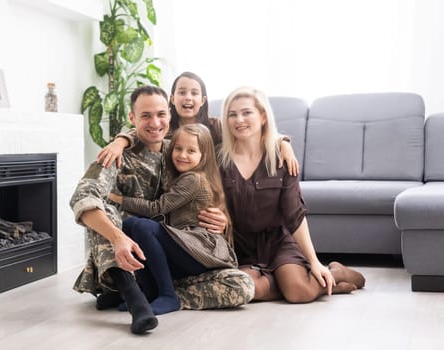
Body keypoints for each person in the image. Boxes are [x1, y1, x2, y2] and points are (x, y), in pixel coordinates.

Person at [69, 86, 254, 334]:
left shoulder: (176, 149)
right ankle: (135, 297)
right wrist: (118, 237)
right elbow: (83, 197)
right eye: (145, 116)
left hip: (173, 257)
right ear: (132, 119)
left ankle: (159, 294)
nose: (155, 123)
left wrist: (221, 218)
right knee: (107, 212)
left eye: (160, 114)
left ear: (169, 114)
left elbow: (224, 152)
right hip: (125, 259)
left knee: (242, 285)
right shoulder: (114, 155)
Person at [218, 86, 365, 303]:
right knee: (246, 289)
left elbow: (294, 214)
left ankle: (335, 273)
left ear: (263, 116)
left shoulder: (282, 158)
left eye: (246, 112)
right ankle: (304, 283)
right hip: (241, 246)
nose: (239, 119)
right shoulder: (219, 159)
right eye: (232, 114)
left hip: (278, 242)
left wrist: (313, 261)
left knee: (299, 293)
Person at [109, 124, 237, 315]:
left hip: (201, 249)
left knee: (142, 226)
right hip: (187, 247)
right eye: (178, 148)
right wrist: (122, 140)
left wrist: (115, 197)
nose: (182, 155)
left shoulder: (194, 179)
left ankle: (168, 295)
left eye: (191, 151)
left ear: (203, 156)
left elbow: (156, 208)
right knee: (130, 226)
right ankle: (149, 292)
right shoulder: (183, 176)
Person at [97, 71, 300, 177]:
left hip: (212, 189)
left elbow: (250, 133)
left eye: (194, 93)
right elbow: (144, 130)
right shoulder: (166, 128)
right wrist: (120, 141)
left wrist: (283, 143)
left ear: (202, 100)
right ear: (172, 98)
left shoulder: (215, 126)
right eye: (182, 92)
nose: (188, 98)